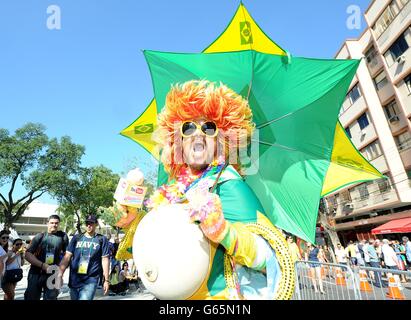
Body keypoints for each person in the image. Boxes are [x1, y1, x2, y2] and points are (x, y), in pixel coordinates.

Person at [120, 80, 295, 300]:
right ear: (178, 142)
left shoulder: (230, 185)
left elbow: (273, 260)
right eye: (188, 127)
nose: (198, 134)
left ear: (221, 143)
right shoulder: (174, 191)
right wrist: (134, 218)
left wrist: (223, 231)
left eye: (209, 128)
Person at [58, 214, 110, 300]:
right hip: (75, 278)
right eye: (87, 223)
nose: (89, 225)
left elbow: (105, 259)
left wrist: (106, 280)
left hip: (91, 279)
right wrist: (60, 274)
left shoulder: (101, 239)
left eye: (91, 223)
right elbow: (67, 257)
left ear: (96, 224)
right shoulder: (77, 238)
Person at [24, 215, 68, 300]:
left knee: (51, 298)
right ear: (47, 223)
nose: (54, 225)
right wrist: (43, 265)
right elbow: (27, 255)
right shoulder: (40, 236)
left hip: (53, 274)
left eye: (56, 223)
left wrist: (60, 274)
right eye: (52, 223)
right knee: (31, 297)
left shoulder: (63, 237)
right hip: (36, 273)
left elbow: (67, 256)